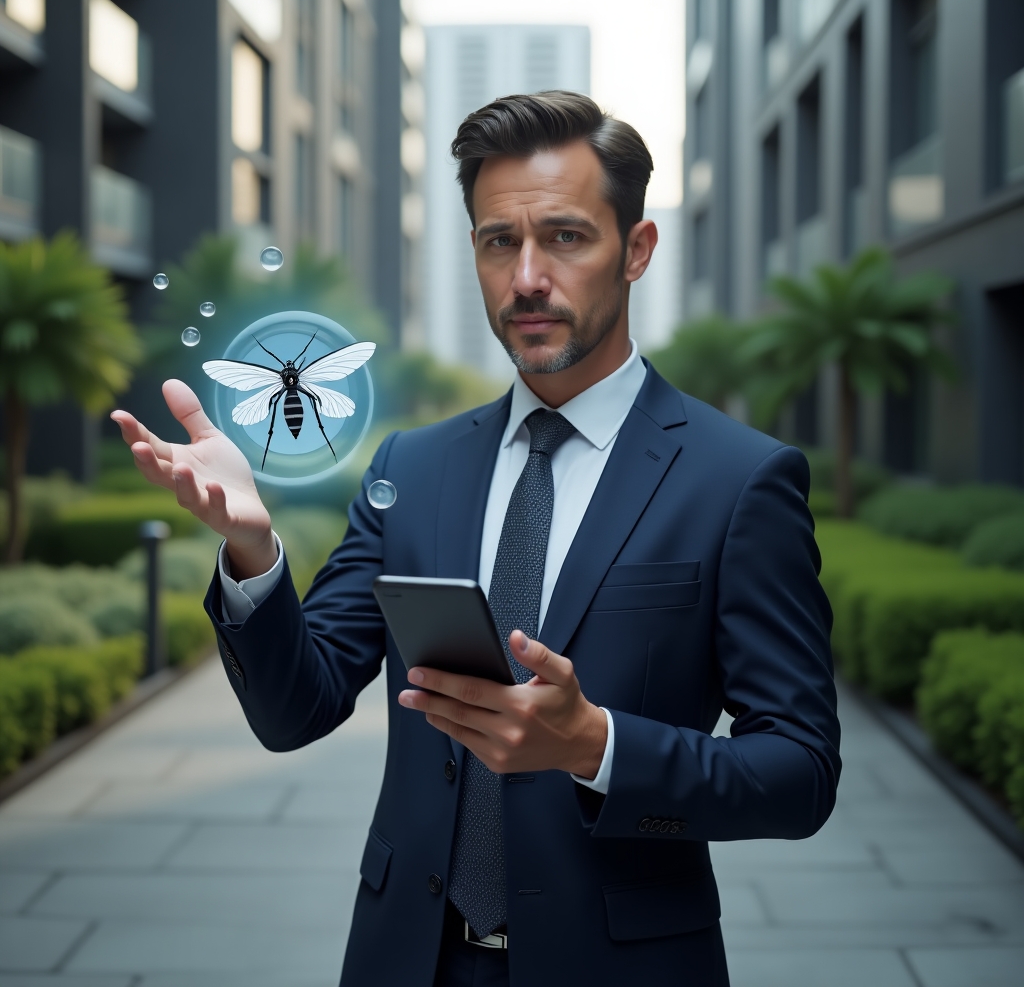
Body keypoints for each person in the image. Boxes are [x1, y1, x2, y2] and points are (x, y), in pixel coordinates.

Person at [112, 91, 840, 987]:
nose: (528, 276)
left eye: (566, 237)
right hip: (406, 959)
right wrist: (254, 551)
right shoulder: (413, 469)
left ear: (637, 250)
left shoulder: (739, 481)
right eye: (502, 242)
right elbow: (294, 710)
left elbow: (801, 773)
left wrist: (598, 746)